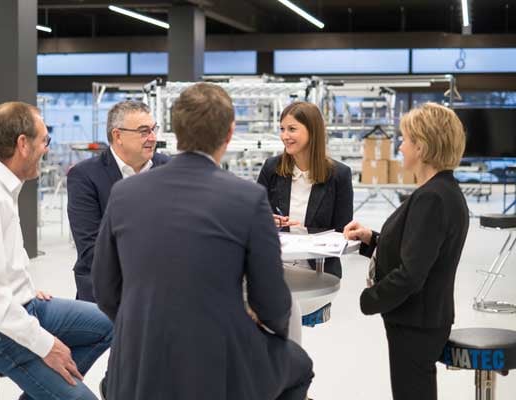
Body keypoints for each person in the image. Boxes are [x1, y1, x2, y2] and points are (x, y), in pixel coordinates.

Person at [92, 83, 314, 400]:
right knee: (299, 364)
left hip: (138, 365)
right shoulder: (247, 198)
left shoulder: (124, 194)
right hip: (215, 364)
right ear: (229, 133)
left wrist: (146, 330)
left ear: (176, 131)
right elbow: (272, 302)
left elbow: (105, 290)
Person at [0, 102, 113, 400]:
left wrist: (23, 288)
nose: (46, 149)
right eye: (44, 140)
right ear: (22, 144)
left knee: (112, 320)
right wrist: (47, 346)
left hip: (13, 308)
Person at [343, 102, 469, 400]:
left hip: (415, 322)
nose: (400, 147)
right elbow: (418, 249)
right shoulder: (442, 191)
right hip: (423, 319)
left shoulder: (432, 198)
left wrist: (369, 300)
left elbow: (412, 274)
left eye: (405, 140)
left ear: (422, 148)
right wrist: (371, 239)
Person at [67, 100, 169, 302]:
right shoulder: (85, 176)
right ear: (118, 135)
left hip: (162, 289)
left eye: (153, 129)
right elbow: (91, 251)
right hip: (106, 292)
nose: (152, 137)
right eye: (143, 131)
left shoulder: (169, 169)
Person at [257, 101, 353, 279]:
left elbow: (342, 231)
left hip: (318, 268)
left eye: (292, 129)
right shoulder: (272, 168)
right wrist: (267, 221)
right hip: (275, 265)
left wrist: (309, 242)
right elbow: (253, 216)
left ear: (312, 131)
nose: (285, 136)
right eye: (282, 129)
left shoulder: (339, 175)